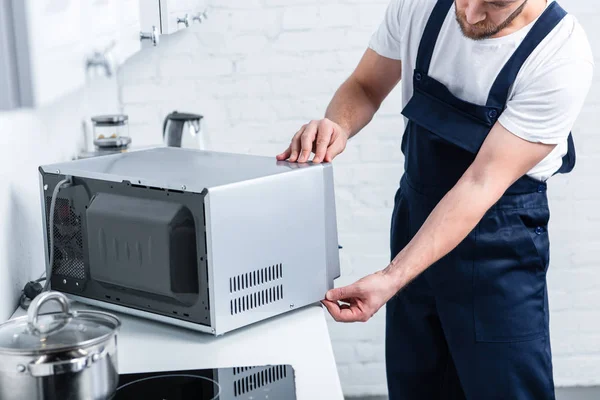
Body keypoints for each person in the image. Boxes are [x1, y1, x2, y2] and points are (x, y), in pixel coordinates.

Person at [276, 0, 594, 398]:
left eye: (493, 6)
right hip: (415, 221)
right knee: (417, 385)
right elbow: (365, 86)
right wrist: (337, 126)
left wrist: (391, 277)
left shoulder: (560, 54)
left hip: (501, 243)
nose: (471, 12)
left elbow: (480, 184)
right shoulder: (420, 5)